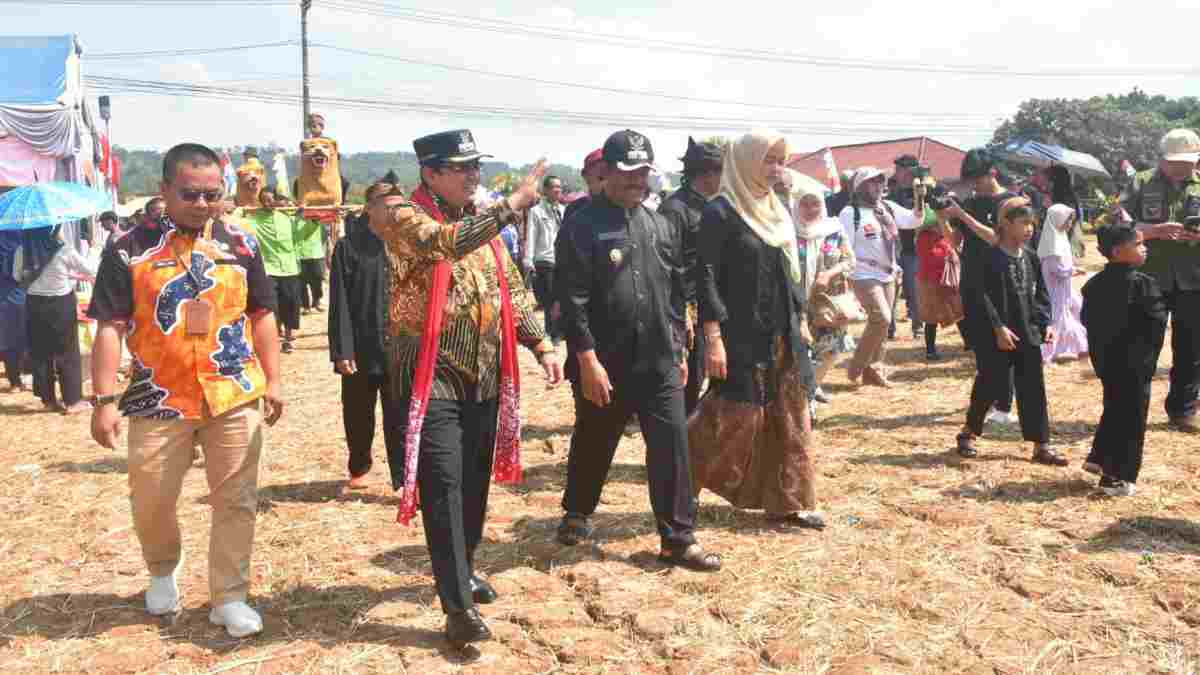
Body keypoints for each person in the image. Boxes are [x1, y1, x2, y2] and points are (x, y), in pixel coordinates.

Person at [371, 128, 560, 648]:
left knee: (474, 483)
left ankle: (465, 567)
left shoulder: (480, 227)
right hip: (432, 376)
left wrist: (540, 344)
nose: (473, 175)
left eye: (477, 166)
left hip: (484, 372)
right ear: (430, 173)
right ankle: (456, 606)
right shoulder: (406, 217)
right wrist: (510, 206)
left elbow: (512, 289)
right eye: (462, 168)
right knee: (445, 485)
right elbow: (445, 245)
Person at [87, 143, 284, 637]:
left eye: (211, 194)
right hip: (158, 398)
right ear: (165, 190)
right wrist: (103, 399)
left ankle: (229, 596)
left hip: (232, 391)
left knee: (236, 499)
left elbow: (262, 314)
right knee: (152, 498)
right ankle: (161, 569)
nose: (201, 203)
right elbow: (108, 326)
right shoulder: (127, 249)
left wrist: (274, 379)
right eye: (190, 193)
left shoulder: (242, 244)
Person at [557, 128, 720, 571]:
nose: (636, 180)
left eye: (643, 171)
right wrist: (586, 358)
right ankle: (577, 511)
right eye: (627, 171)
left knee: (671, 444)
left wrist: (680, 349)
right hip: (605, 361)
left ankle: (678, 538)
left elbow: (672, 290)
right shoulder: (582, 223)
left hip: (659, 358)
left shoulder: (657, 222)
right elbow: (571, 298)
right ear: (606, 172)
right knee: (596, 437)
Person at [687, 129, 823, 529]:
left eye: (781, 160)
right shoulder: (721, 212)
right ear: (745, 161)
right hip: (739, 334)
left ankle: (788, 500)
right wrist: (712, 337)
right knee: (731, 415)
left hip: (782, 333)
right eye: (768, 159)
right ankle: (680, 487)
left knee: (789, 415)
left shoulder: (777, 211)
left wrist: (799, 319)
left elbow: (788, 275)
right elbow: (705, 276)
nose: (777, 168)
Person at [955, 197, 1067, 466]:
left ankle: (1041, 445)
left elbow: (1040, 293)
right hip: (996, 335)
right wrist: (997, 327)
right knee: (990, 383)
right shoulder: (988, 257)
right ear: (1005, 224)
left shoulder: (1030, 257)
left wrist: (1046, 323)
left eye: (1032, 224)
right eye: (1023, 223)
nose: (1029, 229)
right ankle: (968, 433)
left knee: (1033, 387)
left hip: (1027, 332)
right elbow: (979, 296)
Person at [1119, 128, 1200, 434]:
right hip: (1148, 278)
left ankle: (1183, 410)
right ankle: (1131, 409)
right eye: (1178, 161)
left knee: (1191, 349)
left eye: (1190, 161)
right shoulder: (1140, 182)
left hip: (1194, 280)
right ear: (1163, 159)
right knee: (1141, 347)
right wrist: (1152, 231)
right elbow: (1114, 225)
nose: (1185, 167)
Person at [1080, 225, 1167, 496]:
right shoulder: (1143, 284)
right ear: (1118, 252)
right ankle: (1116, 477)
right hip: (1135, 362)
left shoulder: (1093, 285)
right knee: (1131, 417)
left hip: (1107, 361)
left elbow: (1087, 322)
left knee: (1115, 405)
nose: (1145, 247)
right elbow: (1155, 323)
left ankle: (1098, 458)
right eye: (1138, 243)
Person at [329, 174, 401, 490]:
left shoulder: (407, 244)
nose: (396, 213)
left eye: (401, 207)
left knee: (400, 417)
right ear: (370, 209)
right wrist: (342, 350)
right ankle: (359, 467)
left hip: (400, 348)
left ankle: (404, 477)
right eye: (389, 207)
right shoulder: (348, 247)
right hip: (361, 345)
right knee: (358, 413)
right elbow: (339, 302)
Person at [839, 167, 923, 387]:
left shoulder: (888, 207)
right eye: (871, 182)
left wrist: (919, 198)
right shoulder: (850, 213)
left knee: (884, 326)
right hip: (863, 272)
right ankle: (855, 367)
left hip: (888, 273)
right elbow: (844, 246)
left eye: (880, 182)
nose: (878, 186)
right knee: (882, 318)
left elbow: (914, 221)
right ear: (859, 187)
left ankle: (874, 371)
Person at [658, 136, 723, 416]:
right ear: (707, 173)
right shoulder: (675, 209)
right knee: (689, 381)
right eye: (721, 171)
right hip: (686, 310)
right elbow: (667, 265)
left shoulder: (714, 205)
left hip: (712, 305)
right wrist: (681, 309)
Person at [956, 149, 1018, 425]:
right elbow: (956, 240)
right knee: (981, 341)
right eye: (970, 180)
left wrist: (963, 214)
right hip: (971, 276)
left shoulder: (1010, 201)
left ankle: (1004, 404)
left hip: (999, 276)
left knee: (1003, 341)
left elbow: (997, 239)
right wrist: (946, 218)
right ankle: (990, 398)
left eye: (977, 178)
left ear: (992, 173)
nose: (974, 185)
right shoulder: (970, 202)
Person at [792, 180, 854, 404]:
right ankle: (803, 397)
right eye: (805, 204)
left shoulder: (834, 230)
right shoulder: (789, 232)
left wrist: (829, 274)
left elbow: (849, 261)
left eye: (815, 204)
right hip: (797, 302)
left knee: (830, 350)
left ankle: (814, 384)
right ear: (796, 206)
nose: (810, 209)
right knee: (802, 351)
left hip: (828, 302)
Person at [24, 225, 97, 413]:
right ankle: (72, 401)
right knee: (67, 351)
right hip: (60, 304)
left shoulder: (23, 250)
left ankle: (48, 400)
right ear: (53, 231)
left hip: (34, 303)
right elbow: (89, 269)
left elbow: (18, 275)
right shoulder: (64, 250)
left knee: (40, 352)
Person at [1036, 204, 1088, 363]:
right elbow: (1055, 269)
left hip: (1063, 286)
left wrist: (1072, 269)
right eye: (1068, 220)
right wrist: (1073, 271)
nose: (1070, 224)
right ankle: (1052, 350)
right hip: (1054, 287)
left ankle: (1070, 347)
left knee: (1070, 312)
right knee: (1058, 317)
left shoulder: (1060, 238)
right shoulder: (1051, 244)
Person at [915, 195, 965, 361]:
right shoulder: (924, 238)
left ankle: (969, 343)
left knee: (959, 312)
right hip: (930, 282)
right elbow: (930, 258)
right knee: (931, 318)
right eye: (937, 224)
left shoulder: (945, 236)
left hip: (948, 281)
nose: (941, 226)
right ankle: (930, 350)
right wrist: (949, 255)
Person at [524, 175, 566, 344]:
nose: (558, 190)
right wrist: (528, 260)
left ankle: (561, 330)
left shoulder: (564, 210)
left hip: (562, 259)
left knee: (562, 296)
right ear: (546, 190)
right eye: (554, 187)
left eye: (560, 187)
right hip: (545, 260)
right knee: (549, 298)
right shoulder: (537, 211)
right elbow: (531, 235)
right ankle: (552, 332)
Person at [887, 154, 924, 340]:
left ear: (909, 171)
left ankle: (918, 327)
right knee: (891, 291)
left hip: (915, 250)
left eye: (899, 170)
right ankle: (889, 329)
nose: (896, 173)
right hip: (894, 249)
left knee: (915, 291)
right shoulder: (893, 194)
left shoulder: (924, 192)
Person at [0, 231, 29, 392]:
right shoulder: (20, 233)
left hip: (10, 293)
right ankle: (17, 379)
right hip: (16, 294)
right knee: (16, 338)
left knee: (8, 339)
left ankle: (15, 380)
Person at [563, 148, 605, 224]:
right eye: (601, 178)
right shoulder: (574, 210)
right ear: (586, 177)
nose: (605, 183)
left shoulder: (625, 207)